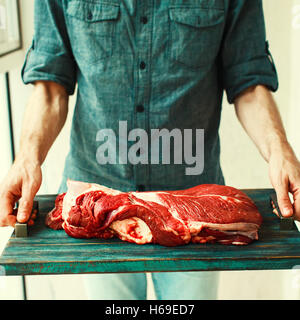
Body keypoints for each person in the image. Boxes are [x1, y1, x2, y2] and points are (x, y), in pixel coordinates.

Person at [0, 0, 300, 300]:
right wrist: (27, 157)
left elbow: (247, 82)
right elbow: (51, 86)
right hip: (96, 205)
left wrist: (280, 151)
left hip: (196, 211)